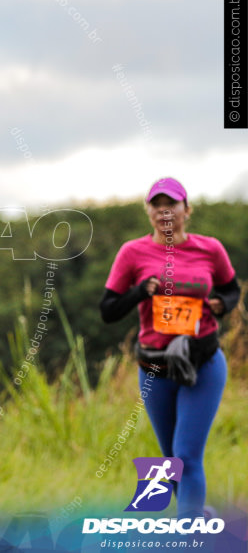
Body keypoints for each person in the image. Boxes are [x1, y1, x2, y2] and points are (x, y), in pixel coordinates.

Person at [100, 177, 240, 519]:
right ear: (148, 211)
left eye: (172, 204)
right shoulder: (132, 253)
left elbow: (231, 288)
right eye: (157, 205)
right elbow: (108, 310)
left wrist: (222, 304)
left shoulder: (210, 248)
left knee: (186, 456)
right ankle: (196, 515)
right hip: (155, 368)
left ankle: (188, 531)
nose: (165, 211)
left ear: (186, 210)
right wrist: (139, 292)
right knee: (169, 461)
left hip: (203, 362)